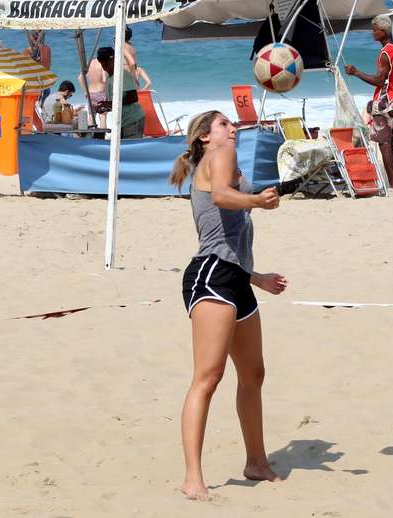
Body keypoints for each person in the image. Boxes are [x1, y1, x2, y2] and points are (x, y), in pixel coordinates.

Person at [169, 110, 287, 500]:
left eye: (233, 124)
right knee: (208, 377)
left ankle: (256, 463)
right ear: (205, 136)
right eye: (223, 124)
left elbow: (226, 234)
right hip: (211, 276)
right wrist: (256, 200)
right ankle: (192, 478)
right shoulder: (220, 155)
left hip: (237, 278)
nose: (232, 128)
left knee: (253, 374)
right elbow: (221, 197)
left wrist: (258, 278)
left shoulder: (224, 161)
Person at [344, 15, 393, 192]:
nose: (372, 33)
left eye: (374, 29)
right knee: (388, 142)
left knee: (384, 144)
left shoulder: (385, 54)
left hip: (384, 101)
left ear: (383, 31)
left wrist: (356, 72)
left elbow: (378, 81)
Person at [96, 46, 145, 139]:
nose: (104, 63)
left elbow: (133, 97)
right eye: (101, 60)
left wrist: (110, 104)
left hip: (132, 120)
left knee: (129, 147)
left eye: (107, 60)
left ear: (114, 59)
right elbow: (117, 103)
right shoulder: (109, 78)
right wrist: (106, 107)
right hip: (122, 121)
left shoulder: (122, 74)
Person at [22, 31, 53, 107]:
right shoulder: (47, 49)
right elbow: (48, 65)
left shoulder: (28, 51)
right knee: (40, 106)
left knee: (34, 106)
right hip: (46, 81)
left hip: (36, 83)